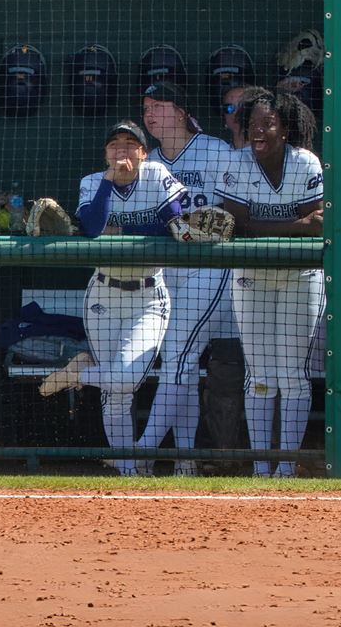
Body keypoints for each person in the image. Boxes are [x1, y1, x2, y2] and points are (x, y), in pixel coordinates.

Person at [38, 120, 186, 475]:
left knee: (124, 378)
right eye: (114, 144)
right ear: (105, 153)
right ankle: (129, 472)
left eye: (130, 143)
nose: (122, 151)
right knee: (116, 394)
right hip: (104, 293)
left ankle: (82, 373)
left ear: (143, 152)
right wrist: (108, 180)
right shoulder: (93, 181)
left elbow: (174, 223)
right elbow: (91, 227)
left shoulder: (155, 175)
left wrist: (122, 230)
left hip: (149, 295)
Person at [132, 82, 241, 475]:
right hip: (167, 273)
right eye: (145, 107)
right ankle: (185, 460)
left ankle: (142, 453)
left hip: (210, 267)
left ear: (181, 112)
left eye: (159, 105)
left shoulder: (215, 151)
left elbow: (234, 213)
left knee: (178, 354)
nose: (150, 113)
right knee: (182, 362)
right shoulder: (151, 163)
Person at [216, 89, 324, 477]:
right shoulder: (238, 162)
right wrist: (295, 226)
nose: (258, 131)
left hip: (301, 278)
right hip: (252, 277)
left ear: (285, 127)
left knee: (293, 374)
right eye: (252, 123)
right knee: (260, 373)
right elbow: (235, 224)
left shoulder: (305, 162)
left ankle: (286, 468)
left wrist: (259, 228)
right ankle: (263, 469)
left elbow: (320, 225)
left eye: (267, 123)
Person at [221, 84, 253, 151]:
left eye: (242, 106)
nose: (236, 112)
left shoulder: (270, 152)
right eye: (229, 108)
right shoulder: (219, 153)